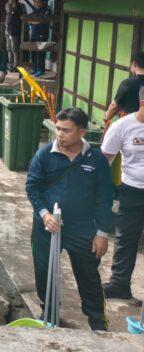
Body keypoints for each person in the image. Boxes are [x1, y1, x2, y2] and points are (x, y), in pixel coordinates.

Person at [25, 107, 112, 331]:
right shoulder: (45, 154)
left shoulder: (96, 159)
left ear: (82, 132)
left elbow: (105, 197)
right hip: (48, 225)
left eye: (66, 130)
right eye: (58, 128)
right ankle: (50, 311)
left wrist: (102, 233)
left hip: (82, 228)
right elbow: (32, 186)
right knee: (44, 270)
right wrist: (44, 214)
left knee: (89, 276)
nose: (60, 134)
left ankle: (97, 322)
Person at [101, 87, 144, 300]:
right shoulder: (122, 127)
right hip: (133, 190)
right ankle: (119, 284)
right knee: (126, 238)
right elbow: (105, 160)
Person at [105, 53, 144, 123]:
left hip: (130, 125)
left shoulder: (128, 83)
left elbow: (114, 106)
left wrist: (107, 117)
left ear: (134, 64)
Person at [28, 0, 51, 77]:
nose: (37, 4)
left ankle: (40, 70)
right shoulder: (35, 10)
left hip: (41, 34)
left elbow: (40, 21)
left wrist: (32, 22)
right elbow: (29, 20)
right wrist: (32, 22)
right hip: (33, 34)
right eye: (35, 2)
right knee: (33, 52)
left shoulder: (45, 10)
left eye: (38, 2)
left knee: (40, 52)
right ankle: (34, 69)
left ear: (42, 2)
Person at [5, 0, 26, 71]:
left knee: (15, 49)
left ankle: (16, 65)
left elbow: (22, 18)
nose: (8, 0)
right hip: (8, 30)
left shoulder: (18, 8)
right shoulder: (10, 7)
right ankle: (10, 64)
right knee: (9, 48)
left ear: (13, 0)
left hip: (15, 31)